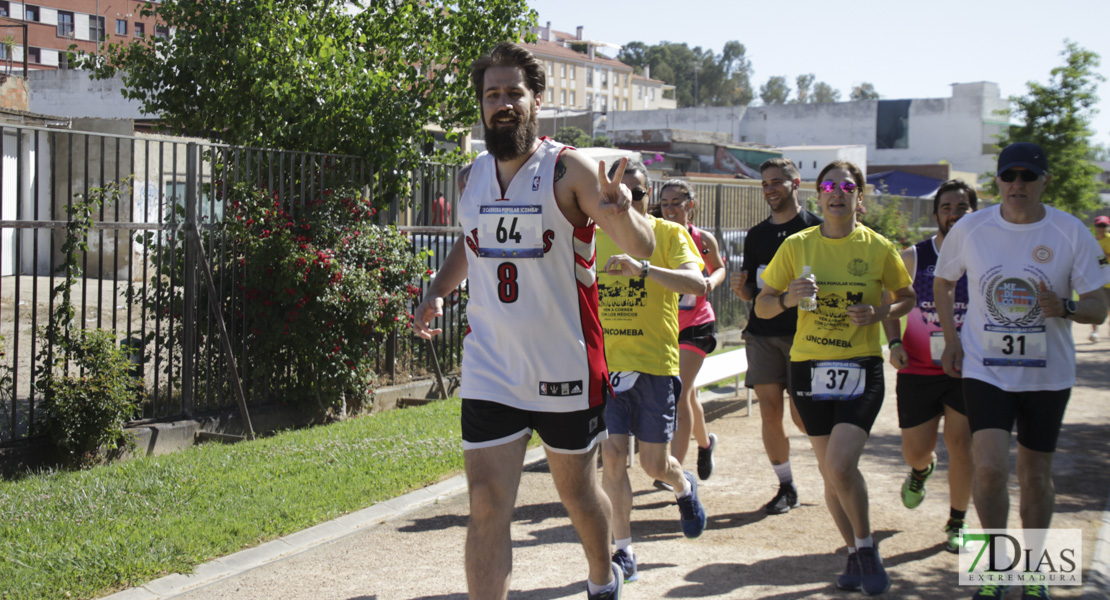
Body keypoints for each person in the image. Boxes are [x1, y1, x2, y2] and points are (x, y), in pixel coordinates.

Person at [412, 41, 655, 600]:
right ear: (481, 104)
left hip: (564, 363)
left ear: (536, 101)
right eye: (491, 94)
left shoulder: (569, 169)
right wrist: (436, 291)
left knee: (577, 494)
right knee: (487, 502)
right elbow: (470, 247)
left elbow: (641, 246)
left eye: (513, 93)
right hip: (492, 364)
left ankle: (601, 575)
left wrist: (624, 213)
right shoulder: (473, 173)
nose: (502, 103)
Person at [934, 142, 1109, 600]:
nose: (1018, 184)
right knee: (989, 467)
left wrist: (1068, 306)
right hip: (985, 369)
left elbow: (1099, 306)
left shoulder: (1070, 232)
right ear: (997, 181)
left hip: (1047, 374)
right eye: (1009, 176)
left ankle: (1035, 572)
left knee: (1034, 475)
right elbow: (943, 280)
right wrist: (952, 339)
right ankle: (993, 570)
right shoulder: (972, 228)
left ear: (1044, 181)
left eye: (1028, 177)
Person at [756, 160, 915, 596]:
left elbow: (907, 297)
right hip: (809, 368)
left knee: (842, 465)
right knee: (831, 474)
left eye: (847, 186)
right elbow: (762, 306)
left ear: (859, 198)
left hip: (861, 366)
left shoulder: (879, 247)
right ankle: (852, 552)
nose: (837, 192)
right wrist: (787, 298)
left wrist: (881, 312)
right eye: (829, 185)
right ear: (818, 196)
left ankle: (866, 549)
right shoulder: (797, 246)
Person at [598, 163, 709, 584]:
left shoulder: (668, 234)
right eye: (616, 195)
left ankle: (683, 486)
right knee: (611, 458)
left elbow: (696, 285)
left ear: (649, 198)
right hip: (608, 368)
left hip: (654, 366)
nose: (626, 202)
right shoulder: (591, 236)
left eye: (637, 194)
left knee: (653, 465)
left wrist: (643, 269)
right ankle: (624, 552)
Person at [882, 180, 977, 553]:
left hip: (966, 369)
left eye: (961, 207)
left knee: (961, 445)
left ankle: (957, 521)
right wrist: (892, 342)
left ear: (973, 211)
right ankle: (921, 470)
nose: (953, 214)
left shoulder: (983, 255)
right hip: (919, 368)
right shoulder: (914, 256)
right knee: (916, 450)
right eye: (947, 208)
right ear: (936, 213)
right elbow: (890, 301)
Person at [730, 158, 822, 514]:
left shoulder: (815, 228)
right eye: (764, 183)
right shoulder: (757, 236)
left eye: (776, 182)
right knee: (770, 410)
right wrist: (743, 292)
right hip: (764, 335)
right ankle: (786, 486)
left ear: (796, 183)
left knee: (803, 416)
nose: (769, 188)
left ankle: (834, 472)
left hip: (807, 337)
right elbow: (754, 291)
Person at [658, 179, 725, 480]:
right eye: (665, 203)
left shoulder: (702, 238)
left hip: (696, 322)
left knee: (680, 393)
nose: (670, 209)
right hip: (665, 323)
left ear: (690, 205)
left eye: (676, 202)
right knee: (690, 393)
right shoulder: (656, 236)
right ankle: (706, 443)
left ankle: (675, 469)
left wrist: (710, 281)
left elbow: (720, 267)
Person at [1090, 215, 1110, 342]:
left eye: (1104, 226)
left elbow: (1103, 259)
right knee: (1095, 306)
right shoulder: (1093, 240)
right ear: (1095, 227)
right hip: (1098, 279)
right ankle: (1094, 332)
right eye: (1099, 225)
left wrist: (1102, 254)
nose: (1101, 228)